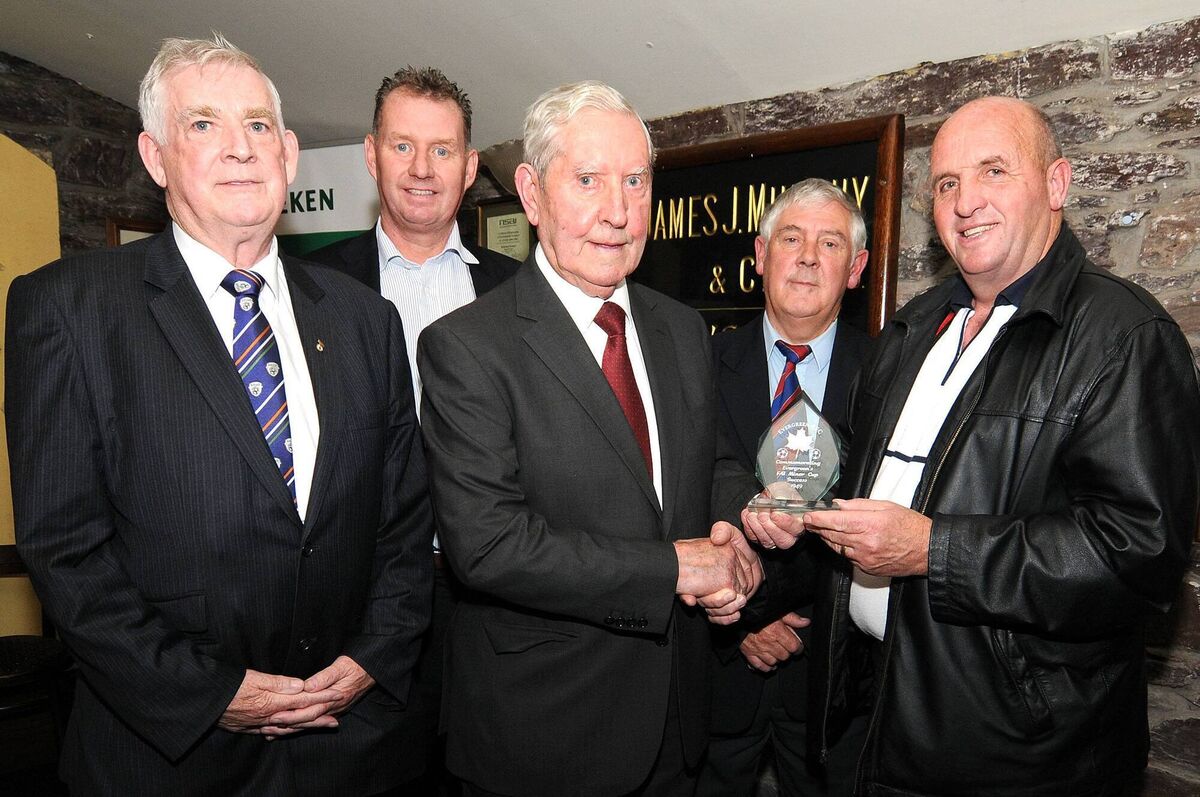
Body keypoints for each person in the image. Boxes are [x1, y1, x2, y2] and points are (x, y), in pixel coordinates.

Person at [5, 35, 433, 796]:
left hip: (354, 750)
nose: (240, 149)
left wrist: (373, 657)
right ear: (154, 156)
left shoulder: (366, 320)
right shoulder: (69, 309)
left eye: (258, 126)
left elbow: (403, 524)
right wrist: (209, 694)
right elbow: (67, 554)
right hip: (170, 756)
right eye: (203, 125)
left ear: (290, 153)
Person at [743, 95, 1200, 794]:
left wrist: (934, 549)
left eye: (993, 171)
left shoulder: (1122, 337)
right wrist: (783, 530)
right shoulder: (912, 328)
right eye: (949, 183)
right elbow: (867, 504)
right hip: (871, 721)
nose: (965, 202)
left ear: (1056, 185)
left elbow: (1140, 557)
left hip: (1011, 756)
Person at [416, 81, 762, 797]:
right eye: (588, 180)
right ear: (532, 194)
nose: (618, 209)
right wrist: (674, 568)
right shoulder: (467, 347)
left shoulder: (682, 330)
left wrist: (736, 538)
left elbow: (715, 465)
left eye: (636, 181)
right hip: (544, 736)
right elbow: (488, 546)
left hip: (676, 724)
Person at [306, 65, 518, 792]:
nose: (422, 169)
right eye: (403, 146)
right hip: (360, 607)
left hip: (496, 604)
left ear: (469, 167)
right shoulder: (309, 290)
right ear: (371, 156)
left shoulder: (520, 291)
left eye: (442, 150)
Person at [698, 179, 872, 797]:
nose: (805, 257)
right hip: (718, 676)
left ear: (854, 270)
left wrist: (797, 626)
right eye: (791, 238)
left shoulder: (888, 375)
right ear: (760, 255)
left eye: (828, 243)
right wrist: (740, 626)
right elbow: (677, 505)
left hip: (834, 686)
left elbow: (890, 516)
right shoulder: (698, 365)